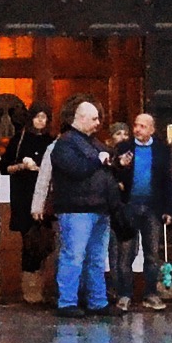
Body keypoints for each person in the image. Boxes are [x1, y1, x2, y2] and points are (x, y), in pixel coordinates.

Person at [41, 98, 113, 316]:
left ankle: (97, 301)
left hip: (99, 208)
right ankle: (67, 302)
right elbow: (76, 169)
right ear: (79, 118)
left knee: (97, 258)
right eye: (93, 118)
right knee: (73, 256)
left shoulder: (96, 143)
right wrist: (98, 161)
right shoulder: (64, 144)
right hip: (75, 210)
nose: (97, 123)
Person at [116, 110, 172, 307]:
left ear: (151, 129)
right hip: (129, 206)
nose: (137, 129)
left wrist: (169, 208)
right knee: (126, 253)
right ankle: (124, 294)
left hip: (152, 207)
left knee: (152, 254)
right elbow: (114, 174)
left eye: (142, 126)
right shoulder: (124, 148)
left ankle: (150, 293)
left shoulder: (161, 150)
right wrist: (121, 166)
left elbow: (167, 180)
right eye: (136, 125)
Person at [0, 101, 51, 307]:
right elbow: (4, 167)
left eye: (44, 117)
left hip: (45, 200)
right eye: (37, 116)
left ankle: (42, 286)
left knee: (45, 243)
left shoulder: (51, 142)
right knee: (29, 243)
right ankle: (30, 291)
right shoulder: (18, 141)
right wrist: (22, 166)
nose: (40, 120)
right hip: (23, 197)